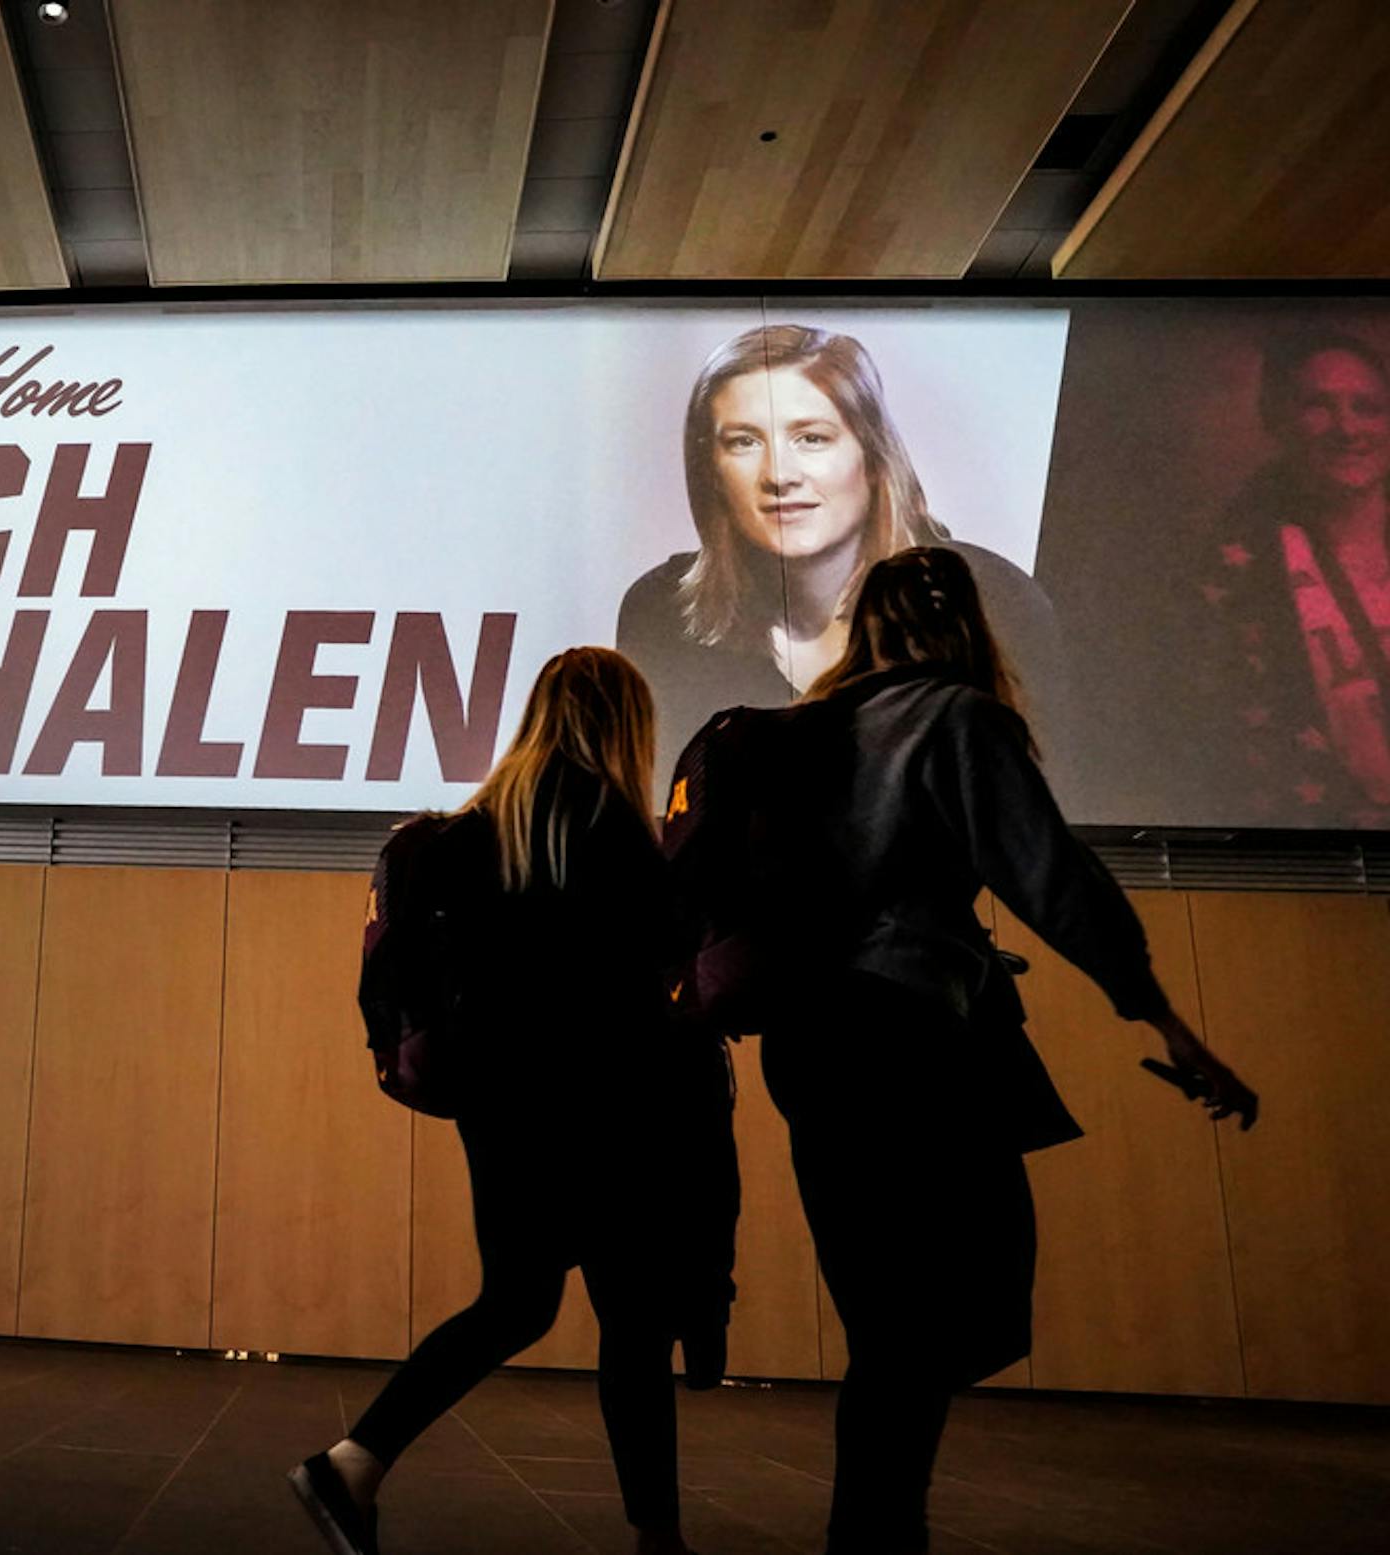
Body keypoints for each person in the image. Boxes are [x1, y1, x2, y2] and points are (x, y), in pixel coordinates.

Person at [663, 547, 1257, 1555]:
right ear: (968, 627)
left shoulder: (801, 729)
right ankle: (880, 1535)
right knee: (960, 1308)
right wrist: (1165, 1019)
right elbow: (1053, 879)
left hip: (807, 1051)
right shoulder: (956, 718)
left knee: (890, 1328)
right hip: (908, 1044)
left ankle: (874, 1532)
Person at [289, 647, 739, 1555]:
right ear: (625, 726)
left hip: (501, 1110)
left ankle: (353, 1462)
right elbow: (666, 975)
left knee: (518, 1298)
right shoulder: (615, 828)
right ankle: (659, 1537)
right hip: (615, 1109)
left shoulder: (463, 836)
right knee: (634, 1324)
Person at [618, 323, 1065, 798]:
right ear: (710, 469)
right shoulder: (661, 610)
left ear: (872, 457)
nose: (779, 475)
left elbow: (1041, 805)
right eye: (744, 441)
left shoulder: (993, 598)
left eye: (811, 438)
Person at [1190, 330, 1390, 825]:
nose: (1347, 429)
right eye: (1319, 406)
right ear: (1277, 420)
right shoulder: (1235, 576)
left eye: (1366, 407)